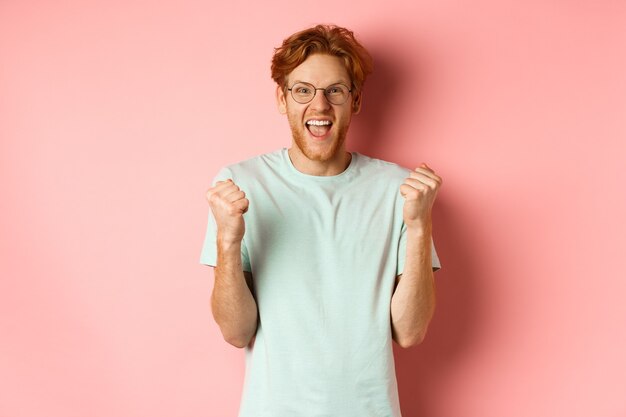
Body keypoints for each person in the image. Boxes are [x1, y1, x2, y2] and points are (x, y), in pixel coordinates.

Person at [200, 24, 442, 417]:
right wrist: (228, 240)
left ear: (356, 101)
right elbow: (236, 332)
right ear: (283, 98)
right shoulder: (240, 184)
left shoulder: (400, 189)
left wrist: (419, 225)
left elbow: (409, 332)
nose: (320, 106)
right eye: (303, 90)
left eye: (335, 90)